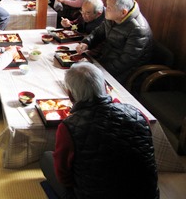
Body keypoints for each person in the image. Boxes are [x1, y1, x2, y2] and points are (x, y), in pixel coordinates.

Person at [40, 62, 159, 199]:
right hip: (146, 195)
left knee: (46, 158)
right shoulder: (137, 113)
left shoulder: (69, 127)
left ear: (70, 95)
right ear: (105, 87)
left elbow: (64, 177)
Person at [76, 0, 153, 84]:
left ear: (123, 12)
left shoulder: (138, 29)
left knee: (83, 81)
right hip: (105, 59)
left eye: (109, 8)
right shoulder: (113, 15)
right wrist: (86, 43)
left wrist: (97, 68)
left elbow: (125, 62)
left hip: (125, 72)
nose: (105, 9)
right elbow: (98, 33)